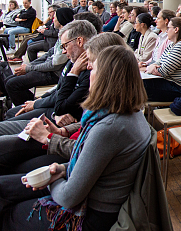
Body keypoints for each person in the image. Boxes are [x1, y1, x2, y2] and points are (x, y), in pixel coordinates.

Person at [0, 44, 151, 231]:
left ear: (105, 78)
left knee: (9, 213)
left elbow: (69, 197)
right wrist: (62, 170)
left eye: (94, 67)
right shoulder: (131, 115)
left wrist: (52, 179)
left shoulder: (110, 127)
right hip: (97, 200)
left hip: (90, 215)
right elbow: (97, 163)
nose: (89, 70)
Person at [5, 19, 97, 123]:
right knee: (11, 113)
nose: (63, 51)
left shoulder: (89, 70)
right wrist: (40, 100)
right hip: (55, 105)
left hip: (59, 114)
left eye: (65, 46)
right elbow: (59, 89)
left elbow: (61, 105)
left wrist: (37, 104)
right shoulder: (73, 62)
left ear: (80, 41)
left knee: (9, 121)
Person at [4, 8, 74, 107]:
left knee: (12, 84)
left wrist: (29, 68)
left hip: (54, 74)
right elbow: (49, 53)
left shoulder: (68, 37)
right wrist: (31, 65)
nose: (53, 19)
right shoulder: (62, 34)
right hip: (50, 69)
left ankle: (26, 108)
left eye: (55, 17)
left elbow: (54, 64)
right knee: (9, 80)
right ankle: (28, 103)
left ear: (61, 20)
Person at [144, 17, 181, 103]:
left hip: (177, 88)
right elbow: (159, 61)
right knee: (137, 83)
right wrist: (153, 66)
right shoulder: (173, 44)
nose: (166, 31)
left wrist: (150, 68)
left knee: (137, 86)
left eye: (168, 28)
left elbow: (163, 71)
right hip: (169, 82)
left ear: (176, 29)